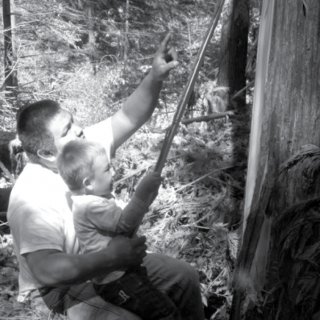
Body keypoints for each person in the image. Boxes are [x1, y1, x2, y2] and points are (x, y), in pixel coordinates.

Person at [7, 34, 205, 320]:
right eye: (66, 131)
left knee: (184, 278)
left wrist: (155, 76)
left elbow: (127, 117)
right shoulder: (30, 197)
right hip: (63, 288)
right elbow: (46, 270)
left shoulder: (81, 145)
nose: (79, 130)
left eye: (74, 121)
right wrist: (112, 258)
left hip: (111, 264)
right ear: (47, 154)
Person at [57, 139, 181, 320]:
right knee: (165, 314)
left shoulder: (90, 200)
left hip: (120, 274)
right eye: (107, 169)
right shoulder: (90, 206)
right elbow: (125, 224)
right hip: (117, 279)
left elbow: (122, 229)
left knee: (160, 307)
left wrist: (146, 201)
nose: (113, 172)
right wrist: (140, 194)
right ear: (88, 183)